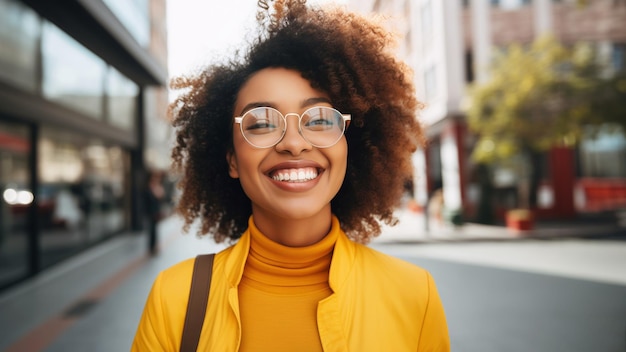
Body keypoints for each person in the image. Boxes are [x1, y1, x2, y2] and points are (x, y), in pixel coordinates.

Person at [132, 0, 450, 350]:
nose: (294, 143)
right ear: (232, 160)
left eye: (318, 119)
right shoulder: (174, 298)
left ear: (349, 145)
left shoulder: (414, 294)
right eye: (263, 123)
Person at [144, 170, 166, 255]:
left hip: (155, 212)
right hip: (150, 212)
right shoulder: (148, 188)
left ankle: (154, 247)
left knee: (155, 230)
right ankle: (151, 248)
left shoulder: (157, 187)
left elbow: (161, 196)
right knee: (151, 230)